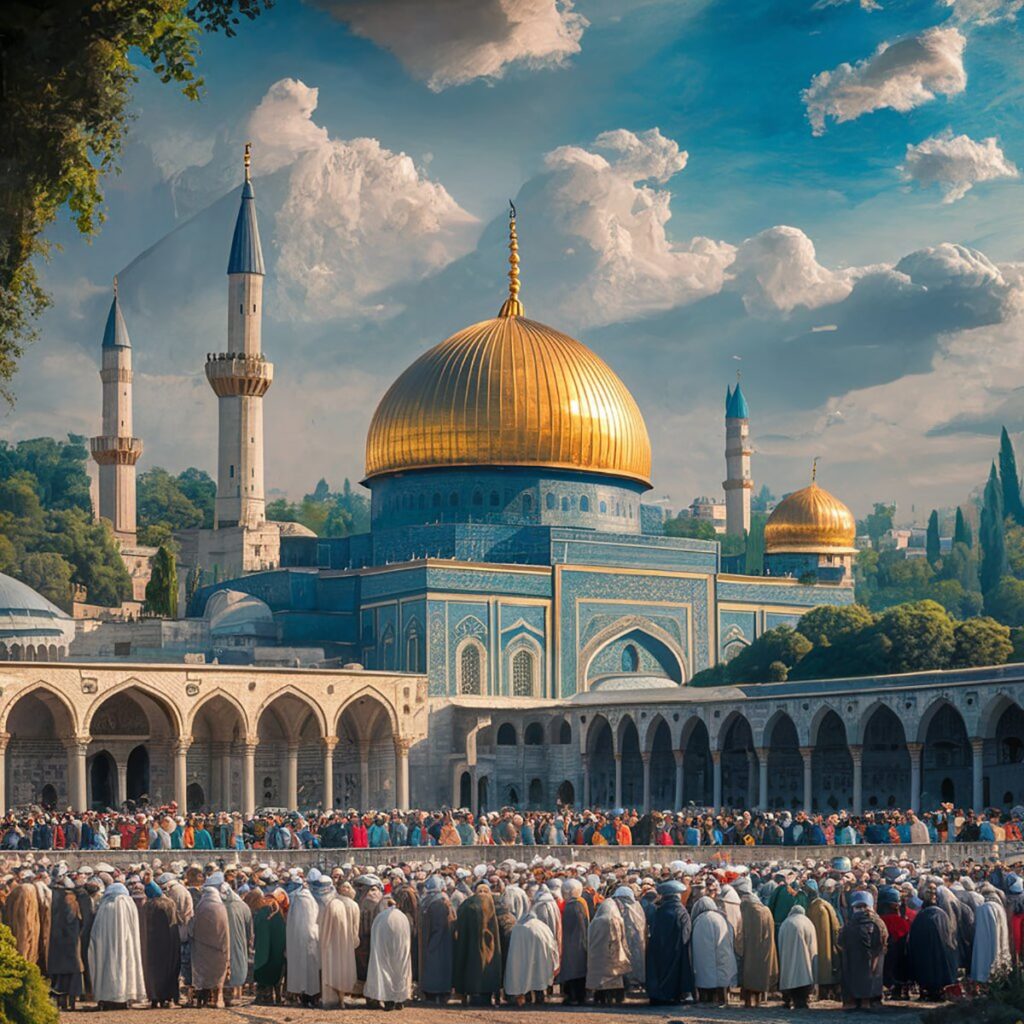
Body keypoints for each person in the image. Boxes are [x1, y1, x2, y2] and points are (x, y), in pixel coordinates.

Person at [88, 882, 146, 1009]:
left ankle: (107, 997)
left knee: (107, 967)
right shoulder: (129, 904)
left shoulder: (105, 906)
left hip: (105, 950)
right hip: (127, 947)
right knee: (126, 966)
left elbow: (96, 932)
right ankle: (124, 997)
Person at [452, 881, 503, 1006]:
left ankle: (468, 994)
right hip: (488, 944)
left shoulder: (468, 905)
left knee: (471, 967)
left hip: (470, 946)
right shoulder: (490, 903)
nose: (482, 895)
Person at [838, 890, 888, 1011]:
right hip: (871, 960)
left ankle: (854, 1001)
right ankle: (868, 1001)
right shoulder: (878, 923)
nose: (861, 909)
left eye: (862, 906)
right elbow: (883, 942)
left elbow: (840, 943)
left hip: (854, 961)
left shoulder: (849, 925)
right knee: (871, 978)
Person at [908, 883, 958, 1001]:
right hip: (940, 950)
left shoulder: (922, 916)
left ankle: (930, 990)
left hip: (925, 952)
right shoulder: (941, 915)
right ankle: (937, 990)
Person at [503, 902, 559, 1005]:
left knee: (526, 973)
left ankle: (527, 997)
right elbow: (551, 944)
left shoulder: (518, 928)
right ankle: (540, 997)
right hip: (540, 958)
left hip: (524, 959)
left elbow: (514, 952)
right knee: (539, 973)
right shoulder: (542, 927)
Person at [735, 875, 777, 1007]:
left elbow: (740, 930)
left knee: (748, 974)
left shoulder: (745, 907)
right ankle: (758, 1001)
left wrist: (738, 946)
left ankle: (748, 1001)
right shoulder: (765, 910)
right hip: (763, 949)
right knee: (759, 974)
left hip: (749, 948)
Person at [364, 896, 413, 1010]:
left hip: (384, 950)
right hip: (400, 949)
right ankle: (400, 999)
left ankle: (388, 1000)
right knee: (400, 970)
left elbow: (375, 937)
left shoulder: (380, 917)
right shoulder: (402, 917)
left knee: (385, 969)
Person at [139, 880, 180, 1009]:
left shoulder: (147, 907)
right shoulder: (170, 904)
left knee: (153, 971)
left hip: (151, 945)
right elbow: (174, 923)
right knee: (169, 969)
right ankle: (168, 997)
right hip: (169, 943)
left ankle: (154, 998)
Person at [190, 876, 230, 1009]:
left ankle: (202, 1001)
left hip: (201, 948)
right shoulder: (220, 908)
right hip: (219, 948)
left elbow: (193, 927)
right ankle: (217, 998)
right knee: (216, 974)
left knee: (203, 975)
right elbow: (225, 930)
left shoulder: (201, 906)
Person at [691, 894, 737, 1005]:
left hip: (707, 961)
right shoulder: (721, 917)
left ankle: (707, 1000)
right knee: (721, 978)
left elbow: (701, 948)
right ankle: (722, 1000)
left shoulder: (701, 920)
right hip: (723, 956)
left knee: (708, 976)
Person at [319, 881, 360, 1008]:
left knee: (335, 969)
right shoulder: (352, 905)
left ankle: (339, 998)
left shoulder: (333, 903)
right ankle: (341, 998)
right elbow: (355, 928)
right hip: (345, 943)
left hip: (336, 942)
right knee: (343, 969)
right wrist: (354, 941)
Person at [47, 877, 84, 1012]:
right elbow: (79, 921)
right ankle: (72, 1002)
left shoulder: (57, 901)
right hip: (72, 943)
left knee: (60, 975)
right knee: (73, 972)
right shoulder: (73, 902)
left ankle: (61, 1002)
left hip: (58, 943)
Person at [585, 897, 630, 1004]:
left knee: (600, 978)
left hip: (598, 954)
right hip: (615, 951)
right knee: (614, 976)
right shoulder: (618, 919)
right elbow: (622, 937)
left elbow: (589, 938)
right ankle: (617, 997)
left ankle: (600, 997)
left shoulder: (595, 922)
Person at [417, 875, 455, 1004]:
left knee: (436, 968)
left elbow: (438, 927)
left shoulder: (439, 903)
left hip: (437, 943)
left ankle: (436, 993)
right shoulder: (434, 901)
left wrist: (431, 945)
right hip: (435, 942)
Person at [286, 883, 321, 1005]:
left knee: (299, 969)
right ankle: (310, 997)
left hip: (297, 940)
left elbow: (291, 923)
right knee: (310, 970)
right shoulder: (311, 901)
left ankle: (302, 996)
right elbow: (313, 920)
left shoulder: (296, 900)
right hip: (310, 940)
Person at [778, 904, 818, 1009]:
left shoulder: (786, 923)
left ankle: (789, 1000)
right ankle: (803, 1000)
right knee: (803, 977)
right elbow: (812, 945)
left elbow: (780, 943)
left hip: (788, 959)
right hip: (806, 962)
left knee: (790, 977)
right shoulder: (808, 923)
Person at [251, 889, 287, 1005]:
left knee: (264, 973)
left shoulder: (262, 912)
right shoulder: (280, 915)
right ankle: (277, 997)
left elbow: (255, 928)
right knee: (276, 974)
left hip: (263, 951)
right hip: (277, 952)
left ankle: (265, 996)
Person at [557, 877, 589, 1006]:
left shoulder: (572, 907)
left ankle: (573, 996)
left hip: (571, 944)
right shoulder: (580, 904)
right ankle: (580, 996)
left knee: (572, 972)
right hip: (580, 944)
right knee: (579, 972)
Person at [971, 885, 1011, 986]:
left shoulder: (983, 908)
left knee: (984, 957)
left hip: (985, 943)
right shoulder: (1000, 907)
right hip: (999, 942)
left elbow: (981, 933)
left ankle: (984, 978)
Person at [221, 882, 253, 1007]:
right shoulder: (243, 906)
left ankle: (227, 994)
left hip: (224, 943)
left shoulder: (218, 905)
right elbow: (250, 930)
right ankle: (235, 994)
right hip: (239, 943)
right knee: (237, 966)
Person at [611, 884, 646, 991]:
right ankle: (633, 981)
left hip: (630, 939)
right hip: (636, 940)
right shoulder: (637, 906)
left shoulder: (617, 907)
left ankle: (630, 981)